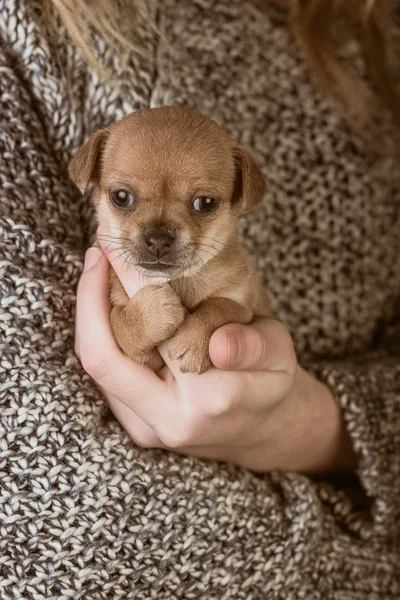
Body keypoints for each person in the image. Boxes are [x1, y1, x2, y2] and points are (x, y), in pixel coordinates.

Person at [0, 0, 399, 597]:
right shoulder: (25, 28)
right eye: (125, 200)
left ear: (242, 195)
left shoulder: (379, 33)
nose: (158, 234)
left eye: (202, 204)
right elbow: (56, 530)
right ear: (93, 179)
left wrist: (314, 426)